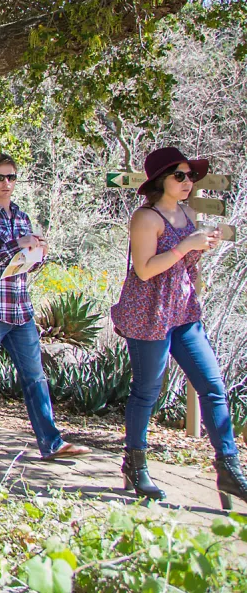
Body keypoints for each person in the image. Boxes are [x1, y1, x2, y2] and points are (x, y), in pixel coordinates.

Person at [112, 146, 246, 508]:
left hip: (183, 312)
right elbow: (144, 270)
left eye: (190, 176)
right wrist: (185, 245)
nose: (188, 182)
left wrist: (202, 246)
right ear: (161, 180)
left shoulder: (187, 213)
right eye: (180, 176)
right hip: (149, 314)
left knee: (212, 385)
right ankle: (135, 463)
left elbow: (184, 265)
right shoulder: (146, 218)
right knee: (147, 391)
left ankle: (228, 468)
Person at [0, 152, 89, 460]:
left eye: (12, 177)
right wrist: (15, 245)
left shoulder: (21, 217)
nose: (6, 183)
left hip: (20, 309)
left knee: (35, 377)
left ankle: (51, 443)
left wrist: (37, 254)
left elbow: (22, 267)